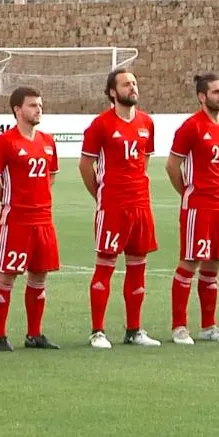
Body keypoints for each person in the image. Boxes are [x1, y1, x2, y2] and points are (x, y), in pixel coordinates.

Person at [78, 69, 161, 349]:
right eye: (127, 84)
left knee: (138, 269)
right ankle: (97, 331)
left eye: (135, 83)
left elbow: (144, 162)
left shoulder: (147, 123)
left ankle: (134, 330)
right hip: (113, 206)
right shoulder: (100, 125)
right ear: (113, 92)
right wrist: (102, 195)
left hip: (141, 205)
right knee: (106, 267)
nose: (133, 87)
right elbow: (85, 166)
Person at [0, 86, 61, 351]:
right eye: (32, 105)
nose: (38, 109)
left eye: (39, 105)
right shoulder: (6, 142)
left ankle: (34, 334)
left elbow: (51, 175)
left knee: (39, 277)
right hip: (16, 221)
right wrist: (11, 200)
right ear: (17, 109)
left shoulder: (48, 141)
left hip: (43, 221)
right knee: (7, 277)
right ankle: (0, 336)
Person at [164, 73, 219, 345]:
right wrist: (187, 192)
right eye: (216, 91)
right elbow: (172, 166)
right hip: (198, 205)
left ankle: (209, 326)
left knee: (213, 265)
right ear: (202, 96)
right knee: (190, 262)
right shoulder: (191, 127)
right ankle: (179, 326)